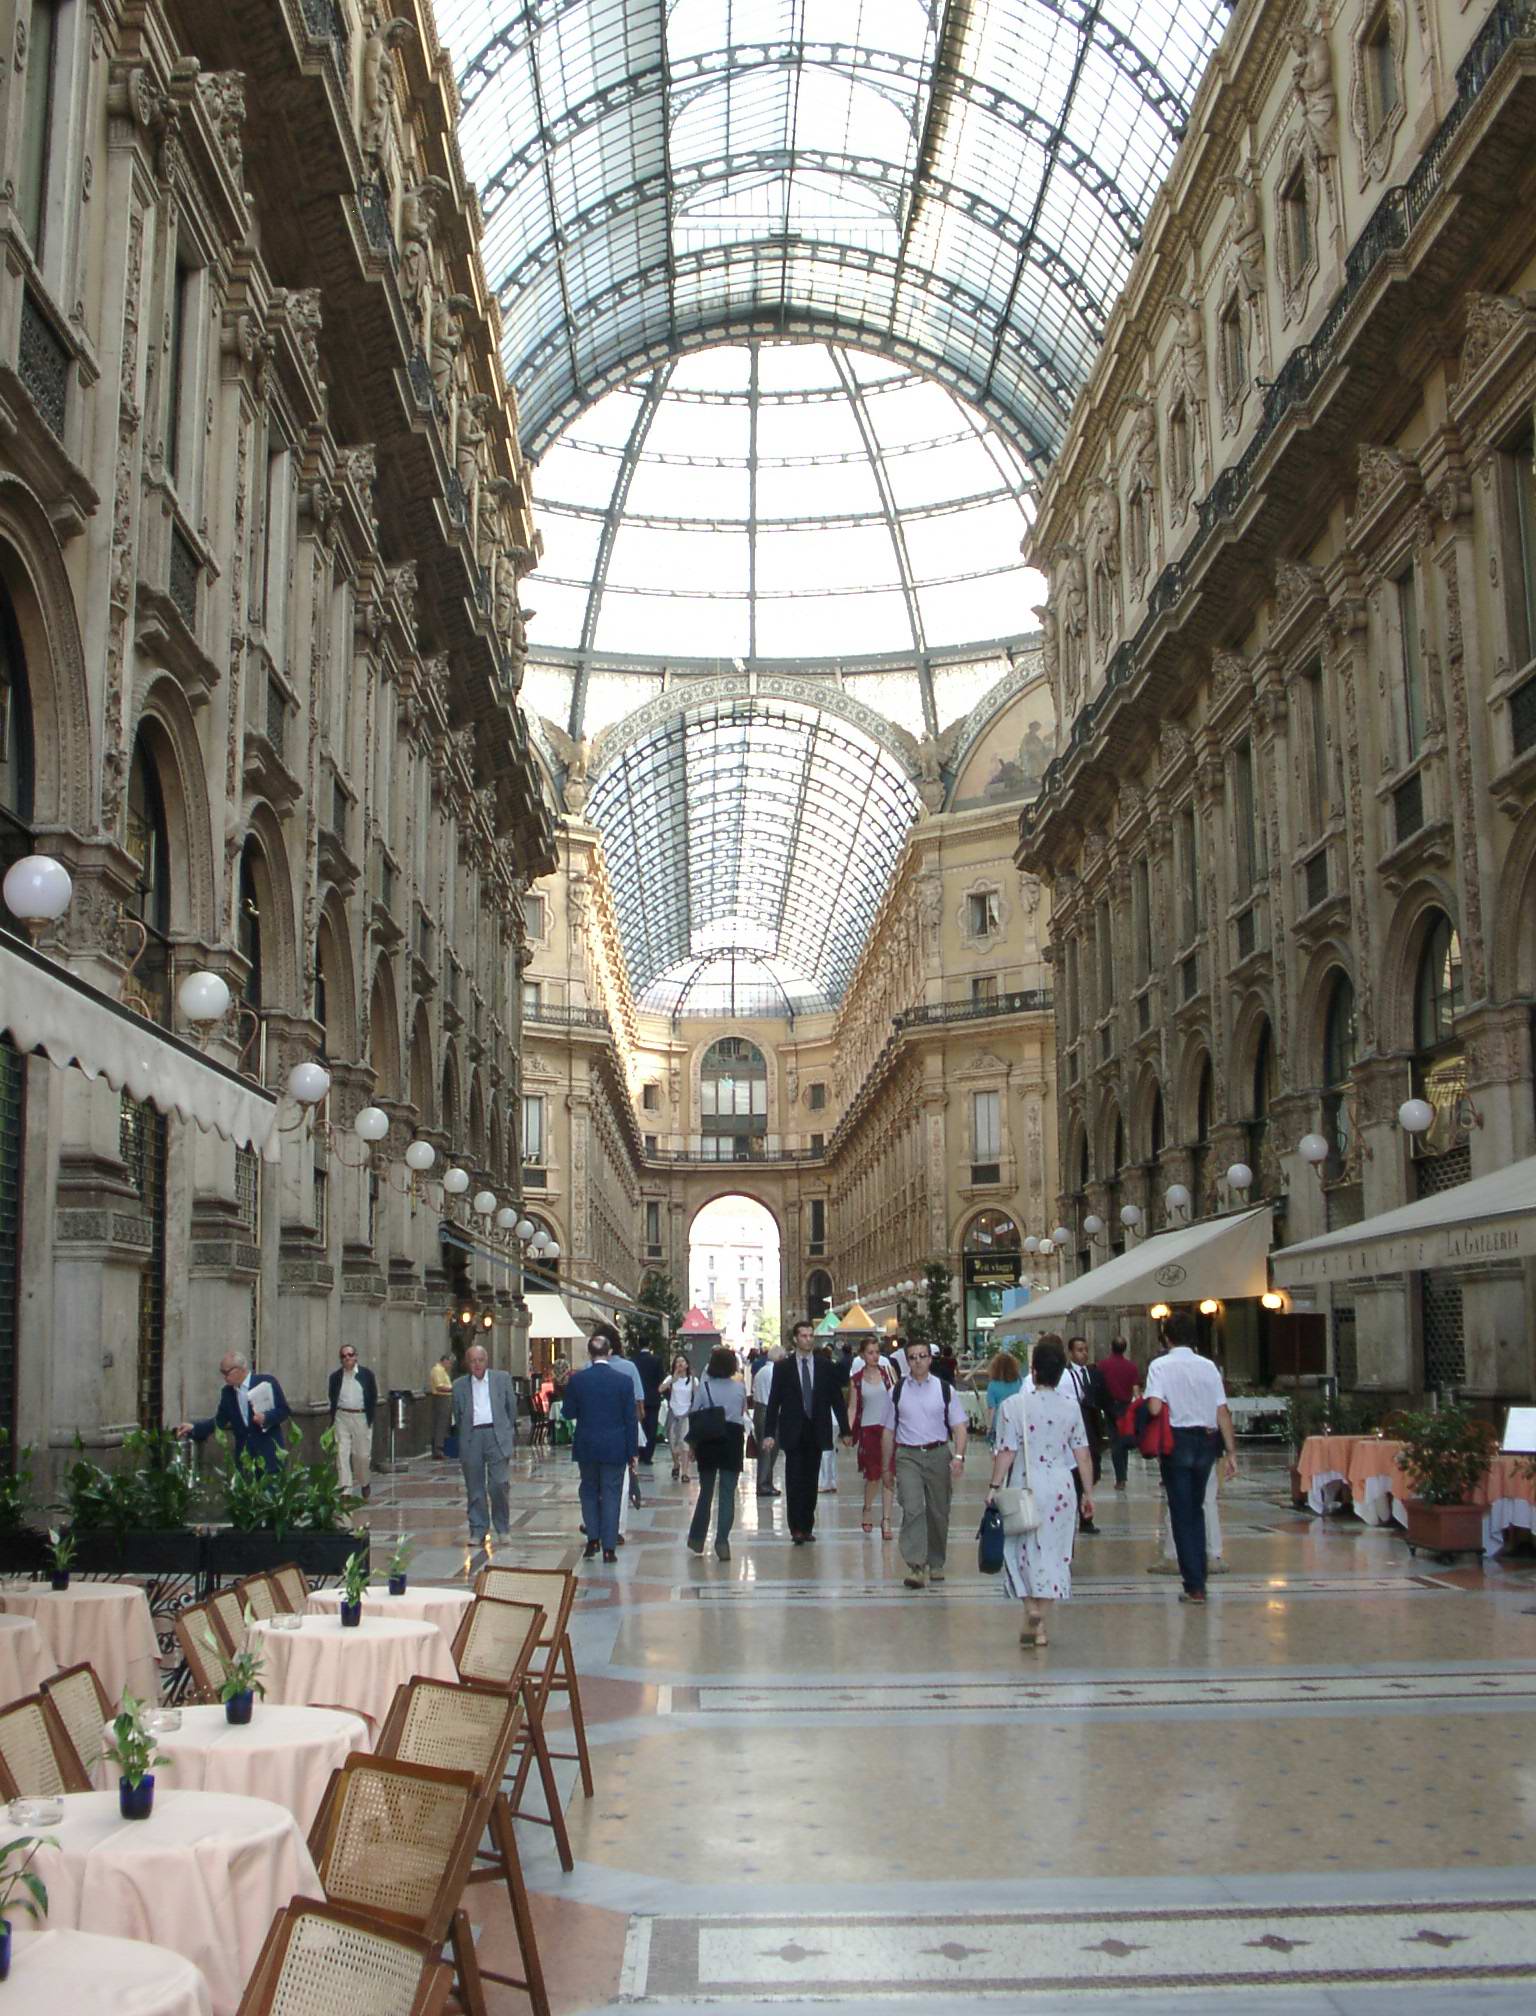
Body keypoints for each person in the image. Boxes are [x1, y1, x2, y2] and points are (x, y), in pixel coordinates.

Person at [988, 1337, 1094, 1648]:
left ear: (1033, 1371)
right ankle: (1041, 1621)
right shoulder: (1071, 1407)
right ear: (1061, 1373)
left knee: (1019, 1551)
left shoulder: (1014, 1406)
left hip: (1025, 1485)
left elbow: (1006, 1452)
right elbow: (1083, 1454)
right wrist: (1088, 1493)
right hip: (1060, 1486)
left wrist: (993, 1486)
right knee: (1056, 1555)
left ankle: (1030, 1608)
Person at [1144, 1310, 1237, 1603]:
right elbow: (1222, 1411)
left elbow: (1154, 1408)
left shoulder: (1160, 1366)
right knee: (1197, 1508)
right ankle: (1200, 1576)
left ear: (1167, 1337)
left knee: (1181, 1512)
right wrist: (1231, 1452)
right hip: (1207, 1441)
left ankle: (1194, 1584)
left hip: (1177, 1441)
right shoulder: (1209, 1367)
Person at [882, 1340, 968, 1589]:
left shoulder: (944, 1390)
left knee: (938, 1511)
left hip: (938, 1453)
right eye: (913, 1357)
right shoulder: (897, 1391)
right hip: (907, 1455)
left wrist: (959, 1457)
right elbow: (888, 1431)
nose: (918, 1361)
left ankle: (936, 1561)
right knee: (912, 1508)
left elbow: (959, 1427)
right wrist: (886, 1466)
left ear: (930, 1359)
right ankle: (916, 1566)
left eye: (922, 1356)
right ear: (907, 1361)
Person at [762, 1318, 851, 1544]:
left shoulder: (824, 1366)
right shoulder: (783, 1368)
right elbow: (774, 1402)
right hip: (793, 1429)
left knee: (811, 1480)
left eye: (811, 1335)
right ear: (795, 1339)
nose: (808, 1339)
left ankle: (807, 1525)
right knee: (794, 1479)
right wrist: (769, 1433)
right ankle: (796, 1528)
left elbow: (836, 1399)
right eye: (804, 1336)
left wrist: (845, 1430)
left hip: (816, 1429)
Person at [561, 1330, 639, 1561]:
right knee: (611, 1493)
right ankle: (609, 1547)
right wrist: (633, 1451)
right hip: (615, 1446)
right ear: (610, 1352)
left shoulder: (578, 1380)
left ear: (590, 1353)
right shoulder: (623, 1381)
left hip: (587, 1445)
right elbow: (630, 1419)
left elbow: (568, 1412)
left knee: (588, 1490)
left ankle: (593, 1538)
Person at [451, 1343, 518, 1548]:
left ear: (486, 1361)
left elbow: (511, 1408)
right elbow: (458, 1413)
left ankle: (503, 1528)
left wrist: (506, 1431)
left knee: (499, 1484)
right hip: (472, 1437)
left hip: (496, 1435)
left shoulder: (501, 1379)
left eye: (480, 1360)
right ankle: (478, 1529)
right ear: (467, 1363)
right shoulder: (459, 1385)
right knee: (474, 1487)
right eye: (473, 1361)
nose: (477, 1365)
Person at [177, 1353, 290, 1473]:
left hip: (269, 1453)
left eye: (227, 1373)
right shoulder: (228, 1393)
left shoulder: (265, 1382)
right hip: (245, 1458)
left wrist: (266, 1417)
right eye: (222, 1373)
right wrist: (194, 1428)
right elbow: (219, 1421)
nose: (225, 1378)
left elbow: (283, 1410)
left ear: (240, 1369)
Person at [685, 1346, 748, 1560]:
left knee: (706, 1491)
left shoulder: (704, 1387)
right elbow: (741, 1412)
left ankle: (697, 1539)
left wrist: (692, 1446)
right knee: (728, 1492)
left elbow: (694, 1413)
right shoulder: (739, 1387)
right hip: (732, 1439)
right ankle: (722, 1541)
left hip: (708, 1439)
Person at [849, 1335, 896, 1539]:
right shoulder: (857, 1380)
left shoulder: (888, 1373)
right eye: (870, 1353)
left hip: (888, 1429)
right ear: (862, 1355)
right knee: (873, 1475)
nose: (875, 1356)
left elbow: (898, 1398)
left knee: (889, 1473)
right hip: (868, 1430)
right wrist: (848, 1431)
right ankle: (867, 1507)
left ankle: (887, 1519)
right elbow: (853, 1407)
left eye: (877, 1352)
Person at [1063, 1336, 1108, 1532]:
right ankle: (1083, 1518)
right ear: (1071, 1352)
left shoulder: (1093, 1373)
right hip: (1075, 1427)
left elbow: (1103, 1397)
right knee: (1078, 1473)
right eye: (1079, 1350)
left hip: (1092, 1426)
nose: (1084, 1353)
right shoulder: (1065, 1375)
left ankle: (1084, 1508)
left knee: (1093, 1469)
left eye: (1085, 1349)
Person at [327, 1344, 377, 1499]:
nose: (347, 1358)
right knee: (341, 1453)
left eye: (350, 1354)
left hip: (361, 1417)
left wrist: (369, 1417)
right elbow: (332, 1396)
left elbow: (373, 1395)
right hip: (342, 1416)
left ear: (356, 1356)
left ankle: (364, 1482)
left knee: (362, 1455)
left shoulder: (366, 1374)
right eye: (343, 1356)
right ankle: (345, 1489)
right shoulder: (335, 1377)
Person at [1096, 1337, 1141, 1489]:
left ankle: (1120, 1477)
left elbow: (1099, 1385)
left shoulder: (1103, 1365)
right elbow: (1136, 1390)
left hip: (1109, 1406)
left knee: (1115, 1440)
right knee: (1123, 1439)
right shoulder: (1131, 1367)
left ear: (1111, 1347)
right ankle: (1123, 1474)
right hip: (1125, 1406)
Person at [661, 1352, 697, 1483]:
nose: (680, 1364)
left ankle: (685, 1472)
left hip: (686, 1414)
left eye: (682, 1361)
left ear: (687, 1365)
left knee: (684, 1443)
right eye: (677, 1362)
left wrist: (694, 1380)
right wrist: (673, 1379)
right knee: (672, 1442)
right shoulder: (671, 1378)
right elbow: (660, 1389)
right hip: (673, 1413)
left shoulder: (692, 1380)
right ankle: (676, 1463)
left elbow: (697, 1394)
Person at [751, 1344, 783, 1497]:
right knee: (769, 1450)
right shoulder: (775, 1373)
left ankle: (766, 1482)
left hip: (759, 1409)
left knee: (764, 1449)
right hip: (769, 1411)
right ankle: (764, 1484)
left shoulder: (761, 1371)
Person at [631, 1335, 665, 1466]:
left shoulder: (633, 1361)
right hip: (653, 1398)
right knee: (652, 1427)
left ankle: (639, 1452)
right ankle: (648, 1456)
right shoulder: (656, 1360)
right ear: (649, 1344)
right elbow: (660, 1379)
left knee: (640, 1426)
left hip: (637, 1398)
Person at [984, 1349, 1023, 1443]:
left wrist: (989, 1428)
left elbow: (991, 1408)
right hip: (1017, 1420)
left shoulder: (992, 1385)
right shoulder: (1020, 1382)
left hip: (1000, 1422)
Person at [429, 1350, 455, 1460]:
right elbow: (439, 1387)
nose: (450, 1366)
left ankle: (442, 1448)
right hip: (441, 1399)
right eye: (450, 1363)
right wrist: (453, 1389)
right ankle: (438, 1449)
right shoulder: (437, 1370)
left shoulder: (443, 1371)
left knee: (444, 1424)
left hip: (446, 1398)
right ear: (445, 1360)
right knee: (441, 1424)